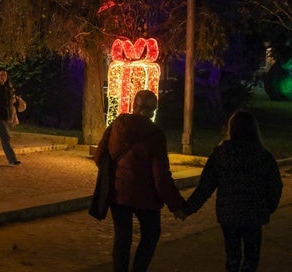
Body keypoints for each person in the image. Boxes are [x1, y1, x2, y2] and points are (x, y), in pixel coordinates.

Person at [175, 111, 283, 272]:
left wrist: (186, 209)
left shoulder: (221, 155)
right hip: (254, 214)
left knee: (232, 257)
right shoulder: (263, 156)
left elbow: (205, 188)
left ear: (231, 129)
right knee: (251, 259)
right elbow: (275, 186)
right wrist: (269, 207)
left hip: (229, 214)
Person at [93, 89, 184, 272]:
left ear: (134, 105)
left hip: (118, 194)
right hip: (146, 197)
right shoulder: (155, 135)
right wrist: (177, 205)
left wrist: (116, 175)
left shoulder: (116, 125)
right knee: (151, 233)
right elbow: (161, 176)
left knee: (122, 237)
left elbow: (99, 156)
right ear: (153, 110)